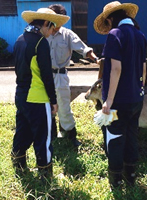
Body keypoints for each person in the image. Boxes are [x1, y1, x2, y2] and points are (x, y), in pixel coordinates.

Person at [11, 8, 69, 183]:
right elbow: (46, 75)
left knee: (22, 131)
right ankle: (45, 175)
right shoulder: (40, 43)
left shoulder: (19, 40)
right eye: (51, 27)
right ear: (45, 23)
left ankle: (19, 164)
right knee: (43, 137)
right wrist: (53, 100)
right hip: (37, 97)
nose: (52, 31)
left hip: (21, 95)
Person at [93, 1, 147, 188]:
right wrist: (140, 91)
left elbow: (115, 69)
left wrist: (108, 101)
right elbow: (143, 69)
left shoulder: (115, 34)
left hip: (118, 100)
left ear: (110, 19)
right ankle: (130, 176)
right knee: (132, 136)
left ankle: (115, 182)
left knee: (114, 138)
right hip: (136, 98)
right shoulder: (140, 35)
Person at [47, 4, 99, 147]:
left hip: (60, 76)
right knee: (45, 107)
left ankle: (71, 136)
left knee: (64, 107)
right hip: (43, 76)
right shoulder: (42, 34)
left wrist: (96, 60)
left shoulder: (67, 34)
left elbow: (84, 49)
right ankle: (50, 137)